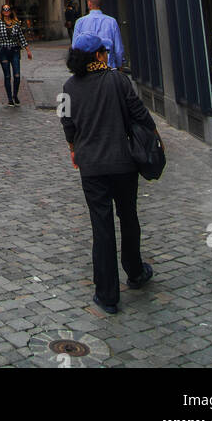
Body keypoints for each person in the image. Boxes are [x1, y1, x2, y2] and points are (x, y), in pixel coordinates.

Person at [59, 29, 156, 314]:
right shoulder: (118, 80)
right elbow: (141, 115)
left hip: (92, 167)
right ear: (99, 54)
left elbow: (67, 124)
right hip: (123, 162)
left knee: (101, 226)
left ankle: (108, 295)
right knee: (128, 216)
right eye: (104, 51)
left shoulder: (69, 87)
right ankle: (135, 272)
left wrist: (73, 149)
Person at [0, 4, 32, 105]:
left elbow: (21, 38)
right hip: (3, 51)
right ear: (2, 12)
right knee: (7, 75)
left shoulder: (16, 23)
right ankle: (9, 98)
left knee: (17, 75)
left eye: (8, 9)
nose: (6, 11)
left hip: (15, 50)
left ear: (10, 11)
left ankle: (15, 95)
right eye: (4, 10)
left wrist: (28, 50)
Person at [71, 0, 125, 69]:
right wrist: (120, 65)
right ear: (101, 3)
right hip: (108, 67)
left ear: (89, 3)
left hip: (87, 69)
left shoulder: (80, 22)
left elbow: (75, 48)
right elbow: (118, 49)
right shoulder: (111, 22)